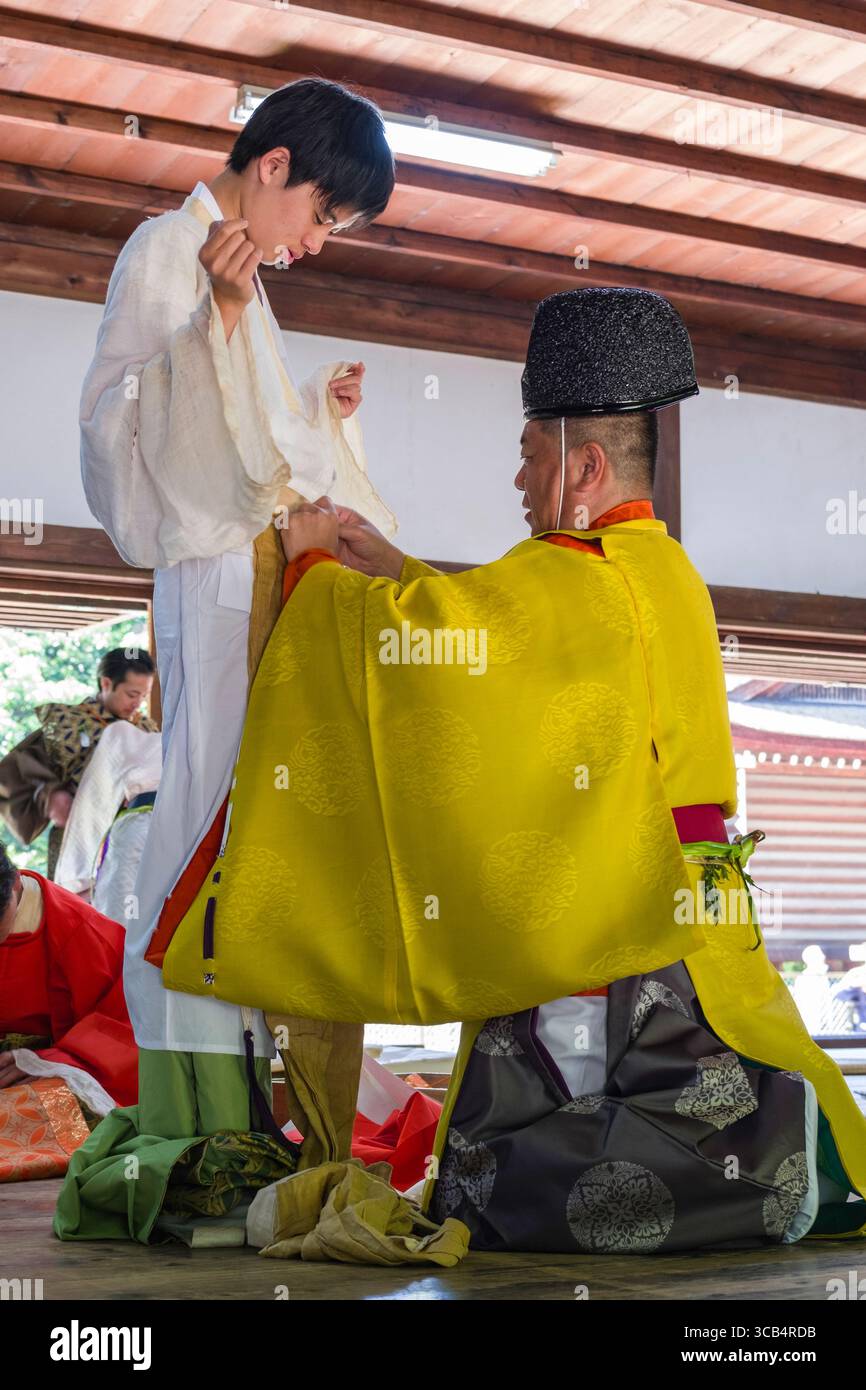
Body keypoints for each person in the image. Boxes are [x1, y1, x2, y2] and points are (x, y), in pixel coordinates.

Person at [151, 287, 866, 1254]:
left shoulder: (574, 576)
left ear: (583, 465)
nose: (518, 479)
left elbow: (471, 671)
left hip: (613, 933)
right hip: (696, 924)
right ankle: (800, 1172)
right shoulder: (658, 573)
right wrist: (402, 572)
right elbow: (525, 669)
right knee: (737, 1113)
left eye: (531, 457)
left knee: (489, 1187)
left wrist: (320, 577)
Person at [60, 78, 396, 1238]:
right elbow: (118, 424)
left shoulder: (229, 267)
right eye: (321, 215)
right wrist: (210, 330)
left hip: (248, 568)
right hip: (208, 576)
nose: (311, 243)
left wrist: (320, 412)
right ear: (275, 163)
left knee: (256, 819)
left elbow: (259, 436)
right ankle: (196, 1119)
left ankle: (247, 1111)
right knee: (208, 809)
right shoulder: (169, 247)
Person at [0, 839, 137, 1115]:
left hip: (46, 1071)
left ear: (15, 883)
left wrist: (44, 1062)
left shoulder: (85, 932)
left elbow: (126, 1025)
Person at [0, 648, 156, 879]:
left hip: (134, 837)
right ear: (106, 683)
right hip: (77, 839)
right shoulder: (67, 724)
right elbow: (13, 771)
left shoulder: (147, 730)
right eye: (132, 694)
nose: (138, 703)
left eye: (144, 695)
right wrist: (49, 796)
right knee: (75, 909)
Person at [53, 719, 163, 924]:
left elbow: (92, 808)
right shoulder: (130, 735)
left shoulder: (119, 734)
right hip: (191, 835)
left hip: (140, 827)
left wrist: (75, 879)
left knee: (121, 928)